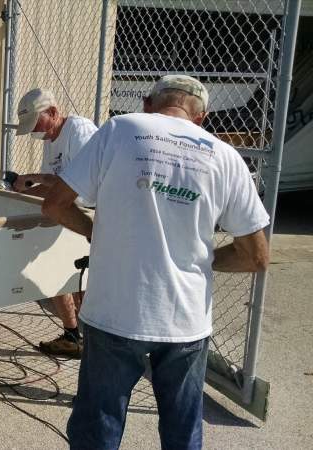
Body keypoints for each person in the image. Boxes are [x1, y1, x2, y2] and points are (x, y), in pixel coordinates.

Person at [41, 75, 270, 449]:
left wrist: (96, 233)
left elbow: (54, 205)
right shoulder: (224, 155)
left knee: (97, 426)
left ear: (148, 103)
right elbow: (256, 257)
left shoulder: (121, 129)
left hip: (115, 311)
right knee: (182, 430)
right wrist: (201, 259)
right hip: (185, 318)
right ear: (201, 118)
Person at [13, 88, 98, 358]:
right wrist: (21, 190)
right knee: (53, 272)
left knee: (82, 281)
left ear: (53, 112)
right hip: (68, 210)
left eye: (37, 125)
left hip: (91, 213)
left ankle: (92, 340)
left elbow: (83, 184)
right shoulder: (52, 139)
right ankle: (73, 335)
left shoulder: (79, 131)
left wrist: (34, 178)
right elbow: (53, 186)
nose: (37, 133)